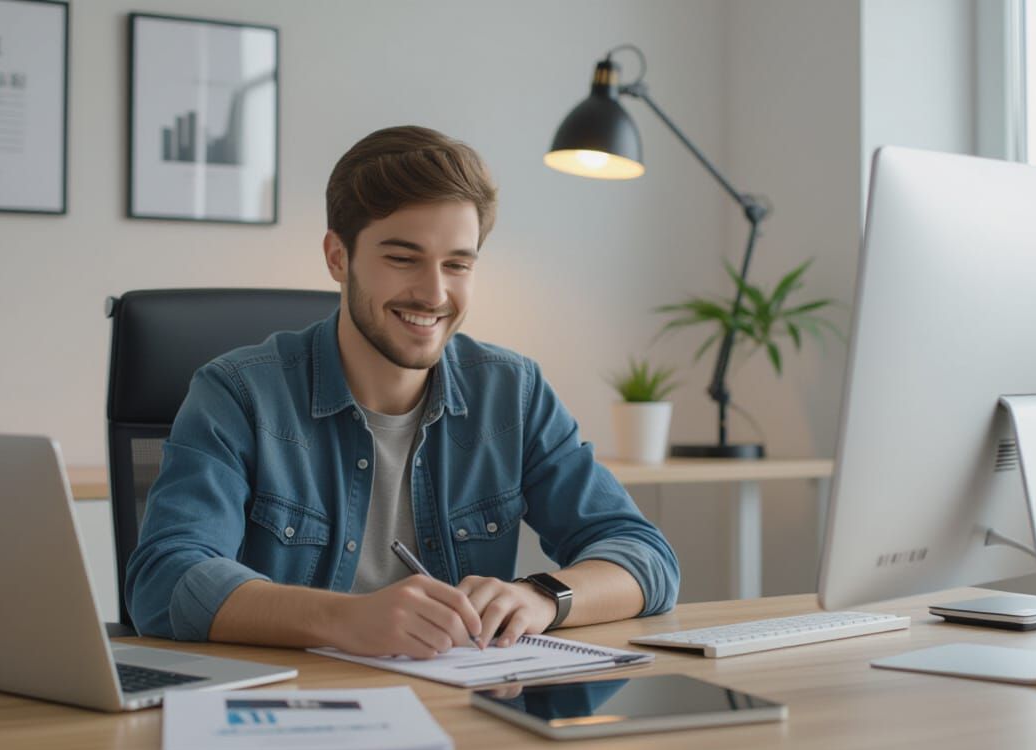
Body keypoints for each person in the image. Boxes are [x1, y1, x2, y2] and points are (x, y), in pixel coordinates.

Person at [126, 126, 679, 659]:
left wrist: (543, 596)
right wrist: (346, 619)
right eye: (402, 258)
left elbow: (644, 556)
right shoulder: (238, 393)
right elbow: (164, 579)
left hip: (460, 710)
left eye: (457, 264)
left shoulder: (513, 393)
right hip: (296, 707)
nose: (434, 293)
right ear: (338, 257)